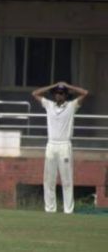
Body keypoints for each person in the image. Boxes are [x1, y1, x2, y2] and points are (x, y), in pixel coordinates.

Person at [32, 82, 88, 214]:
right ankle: (50, 209)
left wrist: (68, 86)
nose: (59, 95)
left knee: (67, 180)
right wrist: (53, 86)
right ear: (54, 94)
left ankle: (68, 210)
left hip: (64, 145)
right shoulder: (49, 105)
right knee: (48, 180)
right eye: (57, 93)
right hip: (51, 145)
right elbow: (35, 93)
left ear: (65, 95)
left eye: (61, 93)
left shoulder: (71, 106)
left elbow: (85, 93)